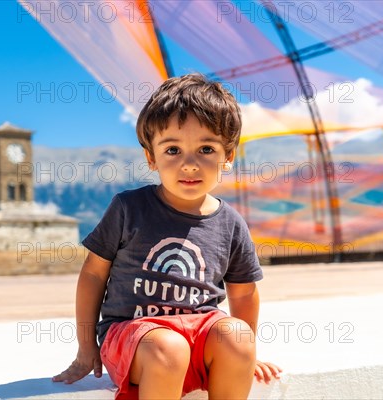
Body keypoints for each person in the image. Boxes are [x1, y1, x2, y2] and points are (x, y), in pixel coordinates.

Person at [53, 74, 281, 399]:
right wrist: (86, 347)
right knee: (168, 347)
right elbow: (93, 274)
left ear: (228, 156)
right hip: (135, 339)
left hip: (201, 333)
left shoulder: (231, 223)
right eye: (173, 149)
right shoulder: (128, 208)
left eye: (206, 148)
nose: (189, 164)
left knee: (236, 336)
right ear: (151, 158)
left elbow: (243, 295)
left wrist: (247, 355)